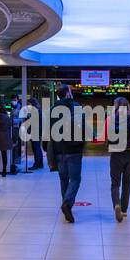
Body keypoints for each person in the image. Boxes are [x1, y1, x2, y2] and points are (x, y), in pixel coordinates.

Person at [49, 84, 83, 222]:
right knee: (75, 179)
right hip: (74, 149)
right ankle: (67, 204)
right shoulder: (76, 107)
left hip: (59, 150)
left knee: (63, 179)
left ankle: (66, 204)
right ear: (68, 93)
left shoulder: (52, 109)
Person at [19, 96, 44, 171]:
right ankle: (40, 163)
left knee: (36, 148)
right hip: (38, 131)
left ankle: (37, 164)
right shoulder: (38, 110)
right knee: (38, 148)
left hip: (35, 131)